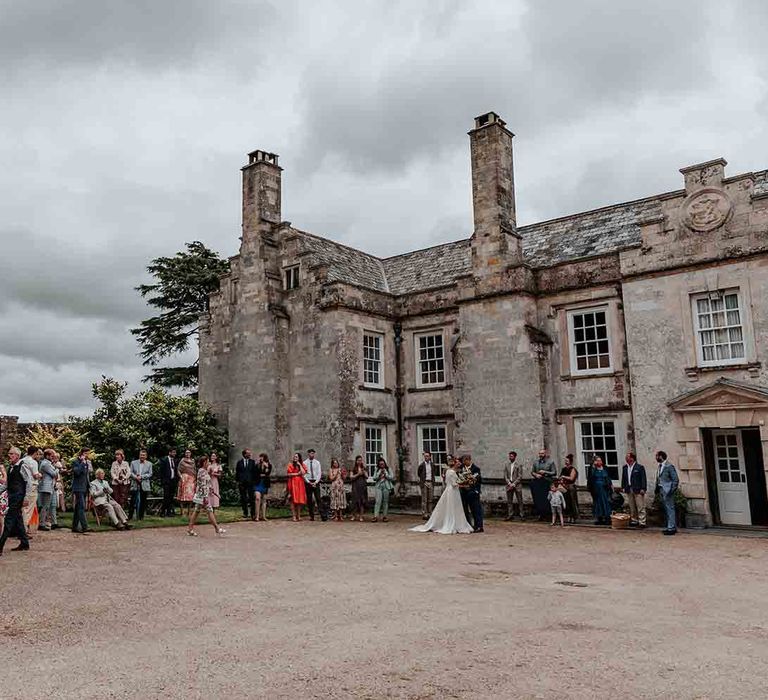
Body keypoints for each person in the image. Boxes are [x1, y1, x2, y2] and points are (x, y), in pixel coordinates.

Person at [410, 457, 473, 535]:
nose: (459, 464)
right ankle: (451, 523)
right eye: (458, 462)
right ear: (454, 463)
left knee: (455, 507)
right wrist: (464, 485)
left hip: (451, 491)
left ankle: (457, 523)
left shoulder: (450, 471)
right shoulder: (451, 472)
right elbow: (453, 484)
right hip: (452, 491)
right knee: (451, 507)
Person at [0, 447, 31, 554]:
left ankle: (0, 546)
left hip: (18, 497)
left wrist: (26, 497)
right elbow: (7, 485)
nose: (9, 456)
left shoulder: (22, 466)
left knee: (9, 520)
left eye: (11, 454)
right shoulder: (10, 467)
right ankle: (24, 543)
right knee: (18, 520)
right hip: (12, 496)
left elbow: (28, 482)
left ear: (17, 456)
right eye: (9, 454)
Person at [187, 456, 226, 537]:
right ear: (204, 462)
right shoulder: (202, 471)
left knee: (197, 511)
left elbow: (207, 483)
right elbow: (202, 485)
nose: (209, 463)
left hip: (203, 494)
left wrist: (214, 492)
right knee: (208, 510)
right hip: (202, 495)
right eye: (207, 461)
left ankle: (190, 529)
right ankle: (217, 528)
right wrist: (205, 497)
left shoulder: (204, 471)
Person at [655, 450, 680, 536]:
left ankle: (671, 528)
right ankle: (671, 526)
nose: (656, 458)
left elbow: (675, 479)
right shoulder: (659, 466)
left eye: (657, 456)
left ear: (661, 456)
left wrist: (671, 490)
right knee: (667, 509)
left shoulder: (669, 466)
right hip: (661, 489)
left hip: (667, 490)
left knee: (670, 509)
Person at [621, 452, 647, 529]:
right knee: (632, 506)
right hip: (629, 488)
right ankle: (634, 520)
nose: (626, 458)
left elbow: (643, 478)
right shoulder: (625, 467)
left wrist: (643, 488)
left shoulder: (639, 467)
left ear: (632, 458)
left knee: (640, 506)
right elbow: (624, 478)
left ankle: (642, 522)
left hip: (638, 489)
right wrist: (623, 487)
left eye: (627, 457)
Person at [458, 454, 484, 533]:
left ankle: (479, 526)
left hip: (473, 492)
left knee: (476, 510)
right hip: (464, 493)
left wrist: (475, 489)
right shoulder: (461, 469)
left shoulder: (476, 469)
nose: (463, 463)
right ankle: (469, 525)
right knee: (465, 510)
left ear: (468, 460)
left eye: (464, 461)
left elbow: (479, 481)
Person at [530, 449, 556, 520]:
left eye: (542, 454)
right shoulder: (536, 462)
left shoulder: (551, 462)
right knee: (538, 499)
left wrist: (545, 472)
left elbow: (554, 472)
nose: (541, 455)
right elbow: (532, 472)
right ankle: (541, 514)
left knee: (546, 499)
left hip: (547, 482)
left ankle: (548, 515)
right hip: (538, 482)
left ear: (545, 454)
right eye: (540, 454)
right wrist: (536, 475)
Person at [20, 446, 42, 534]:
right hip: (31, 487)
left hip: (22, 486)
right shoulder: (33, 462)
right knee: (28, 509)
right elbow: (35, 475)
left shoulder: (21, 461)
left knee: (23, 508)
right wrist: (40, 475)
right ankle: (23, 530)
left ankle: (28, 528)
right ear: (35, 453)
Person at [70, 448, 93, 533]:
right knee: (82, 506)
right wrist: (82, 463)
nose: (87, 455)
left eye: (88, 453)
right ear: (82, 453)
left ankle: (74, 526)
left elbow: (88, 473)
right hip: (78, 487)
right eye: (86, 453)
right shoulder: (75, 461)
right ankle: (85, 526)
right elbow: (77, 472)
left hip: (84, 487)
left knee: (78, 507)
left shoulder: (87, 462)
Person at [587, 456, 613, 525]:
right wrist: (593, 465)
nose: (599, 462)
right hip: (596, 489)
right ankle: (599, 518)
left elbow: (608, 478)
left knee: (606, 502)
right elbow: (590, 478)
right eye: (598, 460)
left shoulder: (605, 468)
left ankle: (608, 518)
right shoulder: (593, 469)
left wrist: (611, 486)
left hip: (605, 488)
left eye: (600, 460)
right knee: (597, 503)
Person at [129, 449, 153, 520]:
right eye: (141, 455)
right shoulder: (133, 463)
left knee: (143, 501)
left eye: (143, 455)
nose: (142, 456)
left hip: (144, 484)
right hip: (135, 483)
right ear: (139, 455)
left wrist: (141, 477)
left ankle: (141, 517)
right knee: (132, 501)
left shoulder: (149, 464)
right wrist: (136, 477)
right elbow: (130, 472)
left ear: (146, 456)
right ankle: (130, 516)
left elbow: (150, 474)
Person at [37, 448, 58, 531]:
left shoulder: (47, 463)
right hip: (46, 487)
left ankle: (42, 523)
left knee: (46, 506)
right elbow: (54, 474)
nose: (53, 457)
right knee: (45, 506)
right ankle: (41, 523)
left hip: (48, 487)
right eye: (52, 456)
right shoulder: (46, 464)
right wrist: (57, 468)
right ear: (47, 456)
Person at [303, 449, 325, 522]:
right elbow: (304, 474)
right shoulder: (304, 463)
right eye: (310, 453)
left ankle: (322, 515)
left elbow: (319, 473)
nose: (312, 455)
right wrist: (308, 482)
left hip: (316, 481)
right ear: (308, 454)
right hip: (308, 481)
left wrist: (316, 482)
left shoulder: (317, 463)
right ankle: (311, 516)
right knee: (309, 500)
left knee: (318, 498)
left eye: (313, 453)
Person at [235, 449, 256, 519]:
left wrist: (253, 481)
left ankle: (253, 514)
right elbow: (237, 473)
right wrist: (238, 481)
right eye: (248, 453)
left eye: (250, 453)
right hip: (242, 483)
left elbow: (254, 472)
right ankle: (245, 513)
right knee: (243, 498)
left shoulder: (252, 462)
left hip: (250, 483)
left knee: (252, 498)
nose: (250, 454)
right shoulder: (239, 462)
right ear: (244, 454)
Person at [158, 447, 179, 517]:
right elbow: (161, 472)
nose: (174, 454)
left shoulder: (175, 460)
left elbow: (175, 470)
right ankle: (162, 511)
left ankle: (169, 512)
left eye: (175, 452)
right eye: (173, 452)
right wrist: (162, 481)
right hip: (166, 481)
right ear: (169, 452)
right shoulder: (164, 460)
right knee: (166, 497)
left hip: (173, 481)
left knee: (171, 497)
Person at [286, 453, 307, 522]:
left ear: (299, 458)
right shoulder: (290, 464)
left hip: (300, 484)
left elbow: (303, 472)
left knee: (299, 500)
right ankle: (294, 516)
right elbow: (289, 474)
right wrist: (297, 474)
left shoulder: (302, 464)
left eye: (296, 457)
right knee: (292, 500)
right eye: (294, 457)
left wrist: (299, 464)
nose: (295, 458)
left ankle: (299, 515)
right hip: (292, 483)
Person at [503, 450, 524, 521]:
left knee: (520, 501)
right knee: (509, 501)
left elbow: (520, 476)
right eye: (509, 456)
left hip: (517, 485)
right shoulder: (506, 465)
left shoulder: (519, 465)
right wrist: (509, 483)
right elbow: (505, 475)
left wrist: (514, 484)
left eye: (511, 456)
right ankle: (510, 515)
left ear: (515, 457)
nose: (510, 457)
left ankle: (522, 515)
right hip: (509, 485)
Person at [372, 457, 394, 522]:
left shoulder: (388, 469)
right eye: (380, 464)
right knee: (378, 501)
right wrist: (379, 474)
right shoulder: (377, 469)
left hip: (386, 486)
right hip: (378, 486)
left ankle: (385, 516)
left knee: (385, 501)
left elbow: (391, 477)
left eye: (383, 464)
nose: (382, 465)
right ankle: (375, 516)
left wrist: (386, 474)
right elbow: (374, 478)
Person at [560, 454, 579, 523]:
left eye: (567, 461)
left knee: (572, 502)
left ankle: (574, 517)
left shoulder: (573, 469)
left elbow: (571, 478)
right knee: (566, 502)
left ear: (570, 462)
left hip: (571, 487)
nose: (566, 462)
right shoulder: (563, 469)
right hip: (564, 487)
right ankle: (568, 516)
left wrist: (564, 477)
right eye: (565, 461)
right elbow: (560, 477)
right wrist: (561, 481)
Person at [177, 449, 197, 517]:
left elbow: (194, 470)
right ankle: (182, 512)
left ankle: (189, 512)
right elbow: (178, 470)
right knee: (182, 496)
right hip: (184, 479)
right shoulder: (182, 461)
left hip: (191, 479)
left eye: (189, 452)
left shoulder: (193, 461)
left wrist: (195, 478)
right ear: (184, 453)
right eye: (186, 452)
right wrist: (181, 477)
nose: (188, 454)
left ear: (191, 453)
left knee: (191, 497)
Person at [417, 451, 436, 520]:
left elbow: (433, 473)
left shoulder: (432, 465)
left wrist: (433, 482)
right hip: (424, 482)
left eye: (427, 456)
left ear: (430, 457)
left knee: (430, 499)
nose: (426, 457)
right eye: (425, 456)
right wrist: (422, 481)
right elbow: (419, 473)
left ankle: (430, 513)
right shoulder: (421, 465)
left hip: (430, 482)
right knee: (424, 499)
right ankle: (424, 514)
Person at [349, 456, 368, 522]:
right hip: (355, 486)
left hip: (362, 485)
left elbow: (367, 476)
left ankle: (361, 516)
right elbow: (351, 477)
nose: (360, 462)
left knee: (362, 501)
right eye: (358, 460)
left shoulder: (364, 468)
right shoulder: (353, 468)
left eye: (361, 460)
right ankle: (354, 515)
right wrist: (358, 474)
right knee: (355, 500)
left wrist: (364, 473)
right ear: (356, 461)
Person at [254, 453, 272, 521]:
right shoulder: (257, 465)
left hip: (265, 483)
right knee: (257, 498)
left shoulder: (269, 465)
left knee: (264, 500)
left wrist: (266, 467)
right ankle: (257, 516)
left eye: (262, 457)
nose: (260, 458)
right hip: (258, 483)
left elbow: (268, 473)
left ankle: (263, 516)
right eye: (260, 457)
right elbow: (255, 474)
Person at [0, 462, 7, 538]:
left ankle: (1, 536)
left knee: (1, 516)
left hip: (1, 495)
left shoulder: (1, 467)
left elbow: (4, 480)